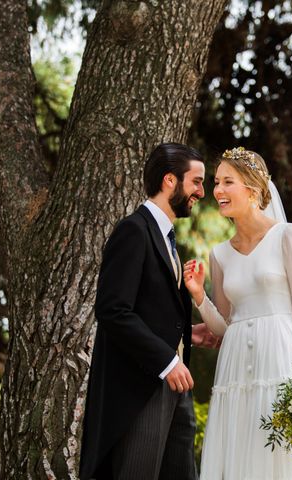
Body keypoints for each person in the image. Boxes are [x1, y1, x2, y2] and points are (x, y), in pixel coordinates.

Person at [183, 147, 292, 479]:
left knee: (281, 453)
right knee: (241, 447)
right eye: (217, 182)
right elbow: (222, 326)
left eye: (227, 182)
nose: (217, 191)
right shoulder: (219, 254)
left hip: (281, 356)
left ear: (252, 189)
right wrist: (198, 296)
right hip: (236, 365)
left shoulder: (288, 236)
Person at [80, 142, 218, 480]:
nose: (202, 192)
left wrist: (189, 333)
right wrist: (167, 361)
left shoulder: (167, 237)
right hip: (142, 389)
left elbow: (154, 310)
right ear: (170, 181)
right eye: (196, 182)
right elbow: (113, 310)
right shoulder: (133, 231)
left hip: (176, 388)